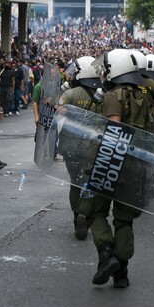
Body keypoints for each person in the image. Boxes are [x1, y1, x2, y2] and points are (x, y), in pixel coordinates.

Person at [78, 49, 150, 289]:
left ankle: (107, 254)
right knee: (124, 219)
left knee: (92, 210)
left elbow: (114, 132)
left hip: (112, 160)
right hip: (137, 164)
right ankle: (122, 274)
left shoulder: (113, 96)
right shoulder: (143, 95)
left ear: (114, 70)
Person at [58, 56, 102, 240]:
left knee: (75, 181)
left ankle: (77, 215)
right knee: (90, 182)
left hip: (70, 144)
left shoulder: (71, 93)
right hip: (93, 145)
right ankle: (85, 214)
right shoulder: (103, 94)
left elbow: (58, 110)